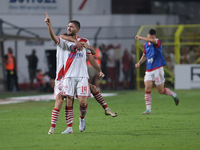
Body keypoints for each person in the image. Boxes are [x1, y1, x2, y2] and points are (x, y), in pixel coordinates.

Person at [45, 12, 105, 134]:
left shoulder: (83, 42)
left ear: (77, 29)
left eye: (71, 27)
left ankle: (81, 120)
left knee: (81, 100)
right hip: (62, 76)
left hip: (75, 75)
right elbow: (55, 36)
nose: (68, 28)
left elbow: (91, 56)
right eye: (68, 26)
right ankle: (55, 128)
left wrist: (99, 70)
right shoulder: (63, 41)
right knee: (60, 100)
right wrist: (49, 25)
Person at [135, 29, 179, 115]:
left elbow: (152, 41)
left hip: (157, 68)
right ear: (148, 35)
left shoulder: (157, 41)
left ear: (154, 36)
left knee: (160, 90)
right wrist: (139, 63)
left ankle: (173, 94)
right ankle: (148, 110)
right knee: (147, 88)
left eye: (152, 37)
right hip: (149, 69)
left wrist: (140, 37)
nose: (151, 38)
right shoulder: (145, 45)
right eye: (150, 36)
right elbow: (144, 55)